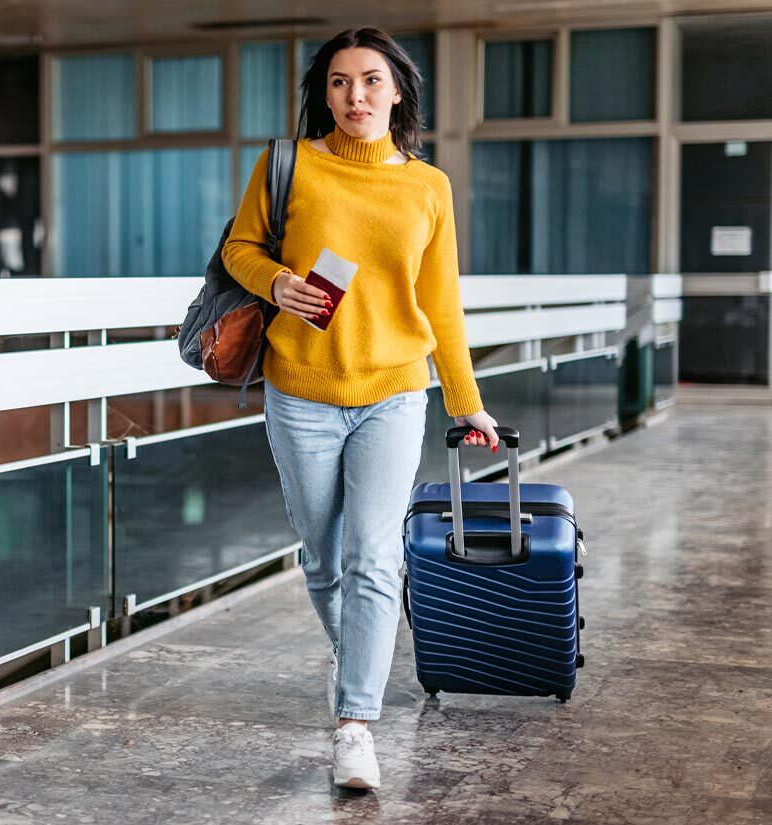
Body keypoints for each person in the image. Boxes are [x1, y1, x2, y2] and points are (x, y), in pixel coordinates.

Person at [219, 27, 503, 791]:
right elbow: (239, 250)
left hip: (393, 392)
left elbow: (441, 305)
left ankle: (355, 722)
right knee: (322, 557)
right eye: (340, 83)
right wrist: (276, 283)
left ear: (399, 90)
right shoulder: (289, 164)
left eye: (371, 81)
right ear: (326, 92)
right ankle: (358, 668)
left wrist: (467, 402)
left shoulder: (428, 186)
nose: (355, 96)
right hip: (300, 389)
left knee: (375, 557)